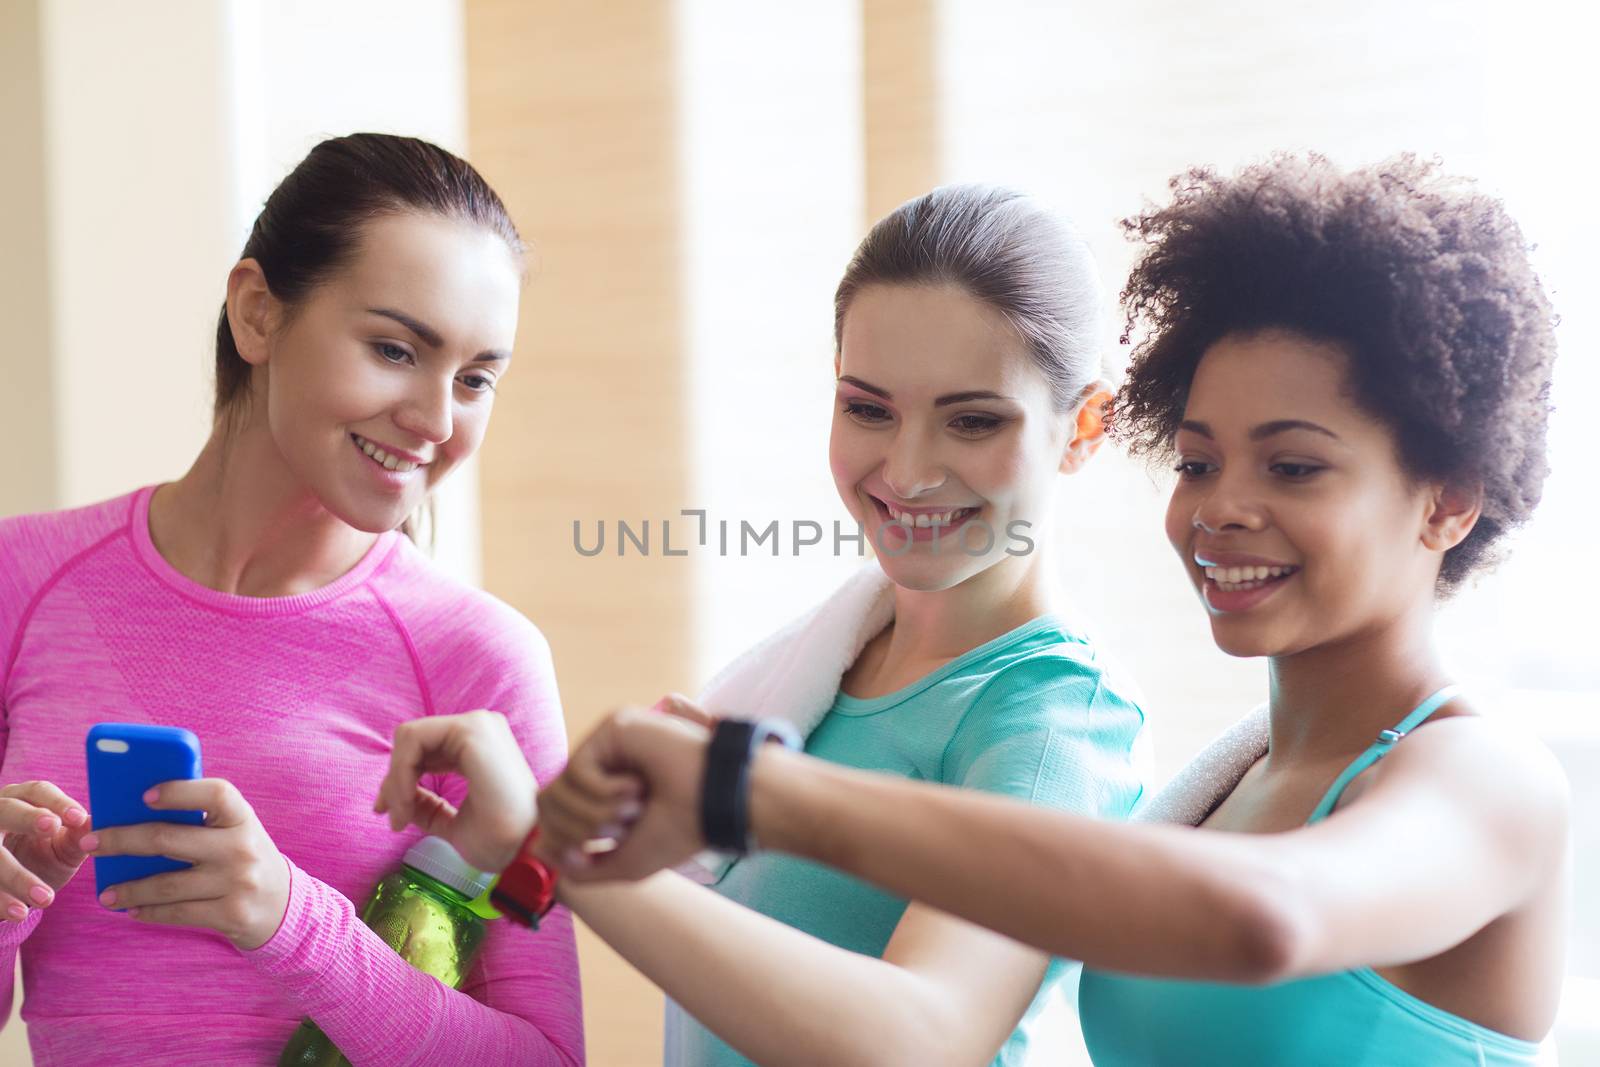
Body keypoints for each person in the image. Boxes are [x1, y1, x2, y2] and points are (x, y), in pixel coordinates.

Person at [387, 155, 1566, 1066]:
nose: (1223, 510)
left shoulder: (1485, 781)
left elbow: (1260, 921)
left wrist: (758, 792)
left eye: (1295, 468)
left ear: (1447, 502)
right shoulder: (1218, 790)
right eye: (1199, 463)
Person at [382, 184, 1148, 1067]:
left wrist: (551, 849)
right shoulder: (818, 678)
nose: (907, 470)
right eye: (868, 408)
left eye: (972, 420)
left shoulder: (1055, 720)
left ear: (1085, 426)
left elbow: (921, 1040)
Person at [0, 134, 582, 1066]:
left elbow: (547, 1056)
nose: (437, 420)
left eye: (476, 378)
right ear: (258, 313)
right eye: (396, 349)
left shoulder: (480, 659)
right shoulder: (19, 584)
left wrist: (288, 919)